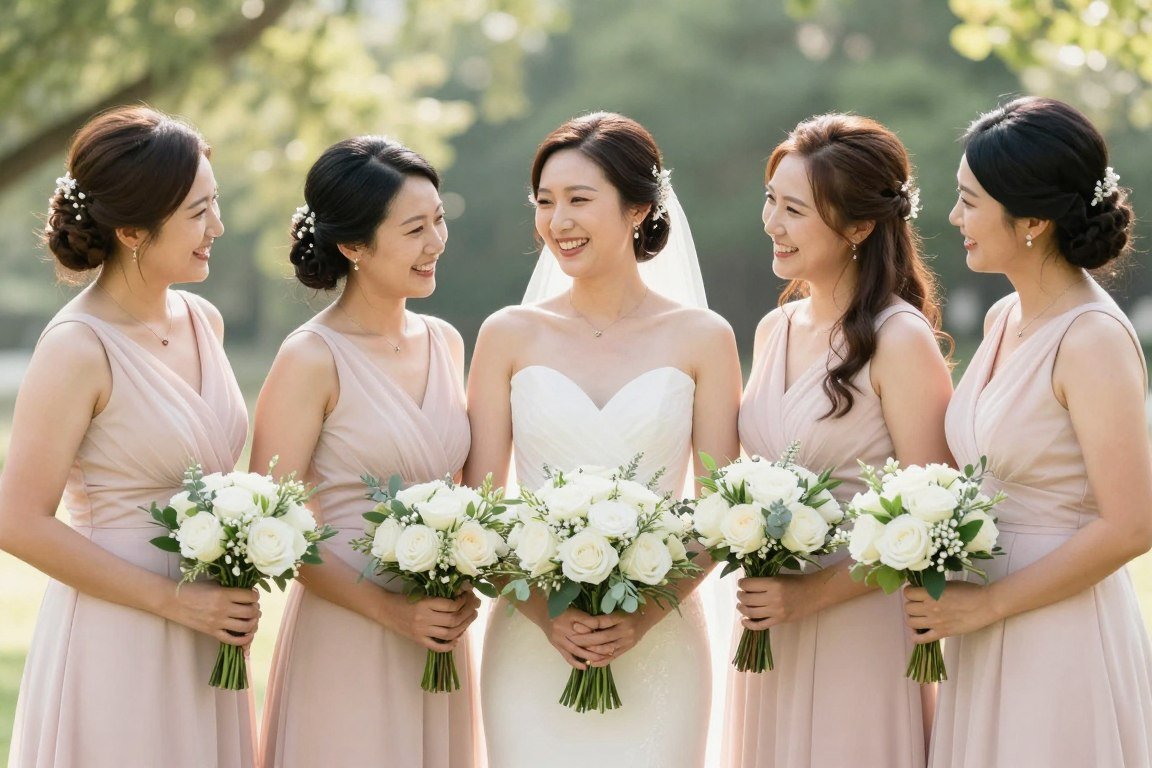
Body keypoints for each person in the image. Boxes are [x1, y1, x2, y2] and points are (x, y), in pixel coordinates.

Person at [464, 111, 742, 767]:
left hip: (662, 640)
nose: (558, 221)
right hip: (530, 639)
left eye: (579, 200)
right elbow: (477, 509)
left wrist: (638, 619)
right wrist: (548, 616)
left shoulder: (704, 338)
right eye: (545, 202)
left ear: (638, 208)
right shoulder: (506, 335)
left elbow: (720, 512)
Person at [0, 106, 255, 768]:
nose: (217, 227)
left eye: (215, 204)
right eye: (198, 212)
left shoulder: (204, 321)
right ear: (133, 229)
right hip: (118, 630)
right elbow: (17, 521)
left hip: (210, 627)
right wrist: (175, 602)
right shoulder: (77, 347)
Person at [902, 96, 1152, 767]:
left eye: (970, 202)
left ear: (1034, 220)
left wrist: (988, 607)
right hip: (981, 620)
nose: (954, 218)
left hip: (1059, 629)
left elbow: (1133, 525)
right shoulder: (1004, 318)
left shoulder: (1092, 339)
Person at [722, 113, 954, 768]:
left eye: (794, 210)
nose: (772, 223)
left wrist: (809, 594)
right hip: (770, 630)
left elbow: (934, 519)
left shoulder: (898, 339)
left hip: (859, 629)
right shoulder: (774, 329)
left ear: (858, 227)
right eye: (771, 200)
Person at [252, 136, 480, 768]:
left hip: (438, 634)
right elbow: (271, 524)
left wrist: (464, 575)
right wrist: (390, 612)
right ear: (353, 245)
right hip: (347, 631)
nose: (436, 242)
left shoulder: (446, 342)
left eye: (439, 220)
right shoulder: (311, 357)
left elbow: (468, 495)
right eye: (414, 229)